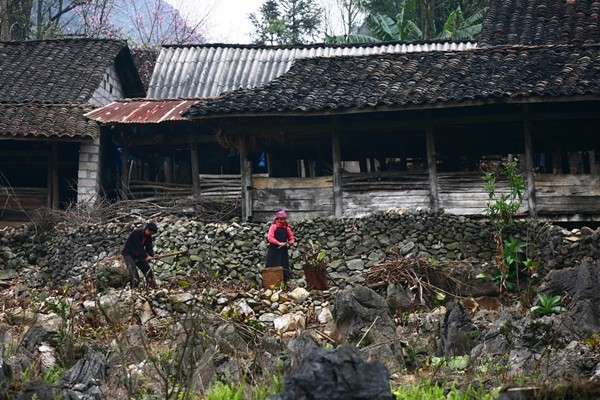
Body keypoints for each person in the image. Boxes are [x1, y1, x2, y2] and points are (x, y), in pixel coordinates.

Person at [122, 222, 159, 289]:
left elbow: (149, 248)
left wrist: (153, 255)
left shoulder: (148, 237)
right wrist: (146, 256)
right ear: (147, 230)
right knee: (134, 275)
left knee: (148, 271)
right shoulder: (136, 233)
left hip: (138, 255)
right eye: (151, 233)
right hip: (129, 254)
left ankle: (151, 287)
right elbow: (138, 246)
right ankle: (134, 290)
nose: (151, 235)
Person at [265, 210, 296, 284]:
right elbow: (270, 238)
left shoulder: (287, 228)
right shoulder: (273, 227)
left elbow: (291, 238)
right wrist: (279, 243)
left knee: (284, 264)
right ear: (278, 219)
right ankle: (271, 282)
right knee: (272, 264)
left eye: (284, 219)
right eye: (281, 219)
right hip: (274, 249)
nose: (283, 221)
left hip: (283, 250)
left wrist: (290, 242)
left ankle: (285, 282)